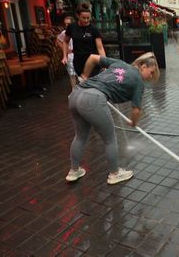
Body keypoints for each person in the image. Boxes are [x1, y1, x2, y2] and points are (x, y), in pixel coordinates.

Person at [66, 53, 160, 184]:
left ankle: (74, 171)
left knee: (80, 136)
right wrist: (133, 122)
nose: (150, 77)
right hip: (92, 99)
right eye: (151, 73)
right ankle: (115, 173)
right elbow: (137, 110)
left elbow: (93, 58)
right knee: (110, 139)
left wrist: (85, 76)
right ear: (143, 66)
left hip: (76, 94)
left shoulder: (120, 63)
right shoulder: (138, 81)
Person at [62, 2, 106, 81]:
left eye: (88, 18)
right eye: (83, 18)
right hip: (79, 61)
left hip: (92, 61)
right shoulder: (72, 27)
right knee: (83, 82)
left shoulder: (94, 29)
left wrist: (104, 63)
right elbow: (65, 41)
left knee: (93, 83)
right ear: (77, 16)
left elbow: (100, 48)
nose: (86, 20)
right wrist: (65, 56)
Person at [57, 15, 77, 87]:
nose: (66, 25)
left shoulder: (78, 31)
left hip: (79, 54)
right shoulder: (64, 33)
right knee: (72, 75)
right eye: (65, 24)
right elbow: (58, 40)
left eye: (68, 24)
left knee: (81, 75)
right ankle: (73, 91)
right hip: (70, 55)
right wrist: (64, 49)